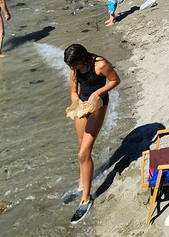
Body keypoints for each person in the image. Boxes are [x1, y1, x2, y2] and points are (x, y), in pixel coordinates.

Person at [63, 44, 120, 224]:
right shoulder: (73, 67)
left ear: (83, 59)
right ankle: (82, 185)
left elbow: (115, 80)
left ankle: (85, 199)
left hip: (98, 106)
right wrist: (77, 102)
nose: (73, 70)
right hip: (82, 106)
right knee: (81, 147)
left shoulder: (101, 65)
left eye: (76, 66)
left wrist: (98, 92)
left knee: (83, 153)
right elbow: (73, 91)